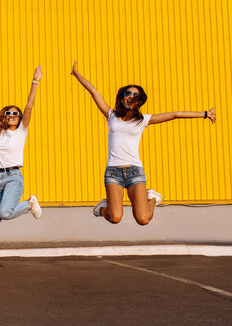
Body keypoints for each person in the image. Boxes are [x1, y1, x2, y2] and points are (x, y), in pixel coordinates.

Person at [71, 60, 216, 225]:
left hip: (135, 172)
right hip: (113, 173)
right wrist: (76, 74)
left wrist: (205, 114)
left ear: (139, 101)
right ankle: (103, 208)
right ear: (122, 98)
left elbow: (176, 114)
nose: (131, 97)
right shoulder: (111, 115)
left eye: (135, 95)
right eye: (127, 93)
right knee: (115, 217)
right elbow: (93, 91)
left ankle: (152, 197)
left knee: (143, 219)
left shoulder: (143, 120)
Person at [0, 66, 44, 225]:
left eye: (15, 113)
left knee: (5, 212)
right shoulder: (1, 130)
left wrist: (34, 82)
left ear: (20, 117)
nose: (11, 116)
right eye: (8, 113)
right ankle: (26, 205)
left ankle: (30, 204)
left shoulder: (21, 131)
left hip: (13, 177)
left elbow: (29, 107)